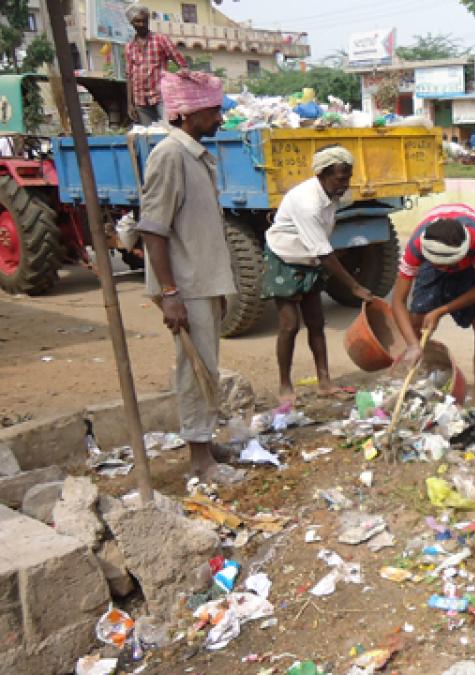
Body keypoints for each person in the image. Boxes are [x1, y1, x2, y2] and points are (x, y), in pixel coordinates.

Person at [134, 72, 240, 483]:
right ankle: (199, 459)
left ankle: (205, 442)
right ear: (186, 113)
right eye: (213, 111)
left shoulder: (192, 155)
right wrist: (170, 293)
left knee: (207, 368)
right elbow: (153, 230)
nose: (219, 119)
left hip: (202, 282)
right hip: (186, 286)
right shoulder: (169, 155)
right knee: (194, 370)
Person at [261, 145, 375, 405]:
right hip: (285, 257)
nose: (345, 184)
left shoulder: (331, 194)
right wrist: (354, 287)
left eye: (348, 177)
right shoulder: (307, 203)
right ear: (322, 174)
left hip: (309, 258)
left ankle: (324, 382)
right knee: (289, 325)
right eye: (340, 178)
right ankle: (284, 386)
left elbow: (322, 244)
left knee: (316, 322)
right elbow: (324, 252)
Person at [391, 203, 475, 404]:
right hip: (438, 252)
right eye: (437, 264)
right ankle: (415, 383)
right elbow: (398, 301)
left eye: (447, 265)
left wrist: (442, 310)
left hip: (472, 263)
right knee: (417, 319)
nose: (444, 269)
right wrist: (413, 345)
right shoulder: (417, 245)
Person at [125, 4, 188, 126]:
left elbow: (181, 63)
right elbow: (129, 76)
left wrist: (181, 86)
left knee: (170, 131)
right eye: (138, 21)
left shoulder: (160, 39)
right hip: (140, 100)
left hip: (162, 96)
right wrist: (130, 104)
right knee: (149, 136)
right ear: (131, 23)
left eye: (145, 21)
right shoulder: (129, 47)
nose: (142, 24)